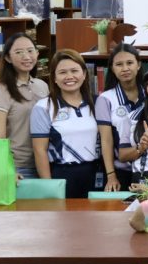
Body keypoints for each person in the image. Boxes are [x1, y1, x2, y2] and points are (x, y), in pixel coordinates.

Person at [30, 50, 99, 198]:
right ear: (54, 78)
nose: (69, 76)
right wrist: (49, 186)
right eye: (62, 72)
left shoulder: (97, 103)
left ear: (84, 74)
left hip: (96, 173)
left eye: (74, 71)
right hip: (62, 174)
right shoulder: (43, 107)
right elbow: (39, 150)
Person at [0, 33, 48, 178]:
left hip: (46, 161)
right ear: (8, 58)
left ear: (37, 53)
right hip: (19, 167)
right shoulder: (1, 91)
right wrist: (6, 169)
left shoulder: (42, 86)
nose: (26, 56)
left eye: (30, 51)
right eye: (19, 52)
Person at [95, 44, 144, 190]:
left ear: (138, 65)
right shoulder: (105, 99)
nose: (125, 68)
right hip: (120, 170)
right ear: (112, 68)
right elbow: (106, 140)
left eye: (130, 63)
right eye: (119, 64)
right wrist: (111, 175)